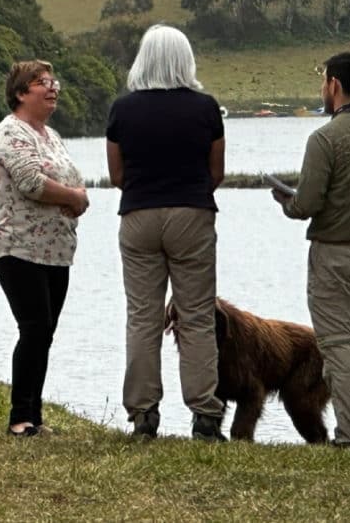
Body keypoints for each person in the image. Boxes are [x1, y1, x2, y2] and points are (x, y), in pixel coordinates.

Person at [271, 52, 350, 450]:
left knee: (339, 344)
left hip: (333, 256)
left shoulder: (324, 139)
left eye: (324, 81)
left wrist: (285, 201)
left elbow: (306, 204)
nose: (322, 89)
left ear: (335, 86)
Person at [106, 24, 228, 442]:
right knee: (195, 317)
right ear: (186, 59)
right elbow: (217, 172)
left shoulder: (123, 110)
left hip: (138, 215)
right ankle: (206, 415)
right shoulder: (206, 108)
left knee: (143, 317)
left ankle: (143, 415)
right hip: (192, 214)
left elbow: (117, 174)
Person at [0, 60, 89, 437]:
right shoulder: (10, 132)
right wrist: (74, 197)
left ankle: (35, 416)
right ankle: (20, 418)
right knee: (35, 327)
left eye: (54, 82)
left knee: (44, 332)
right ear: (20, 93)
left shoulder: (51, 135)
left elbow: (66, 179)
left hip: (55, 251)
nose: (52, 88)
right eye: (41, 83)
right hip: (17, 245)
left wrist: (75, 197)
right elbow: (30, 181)